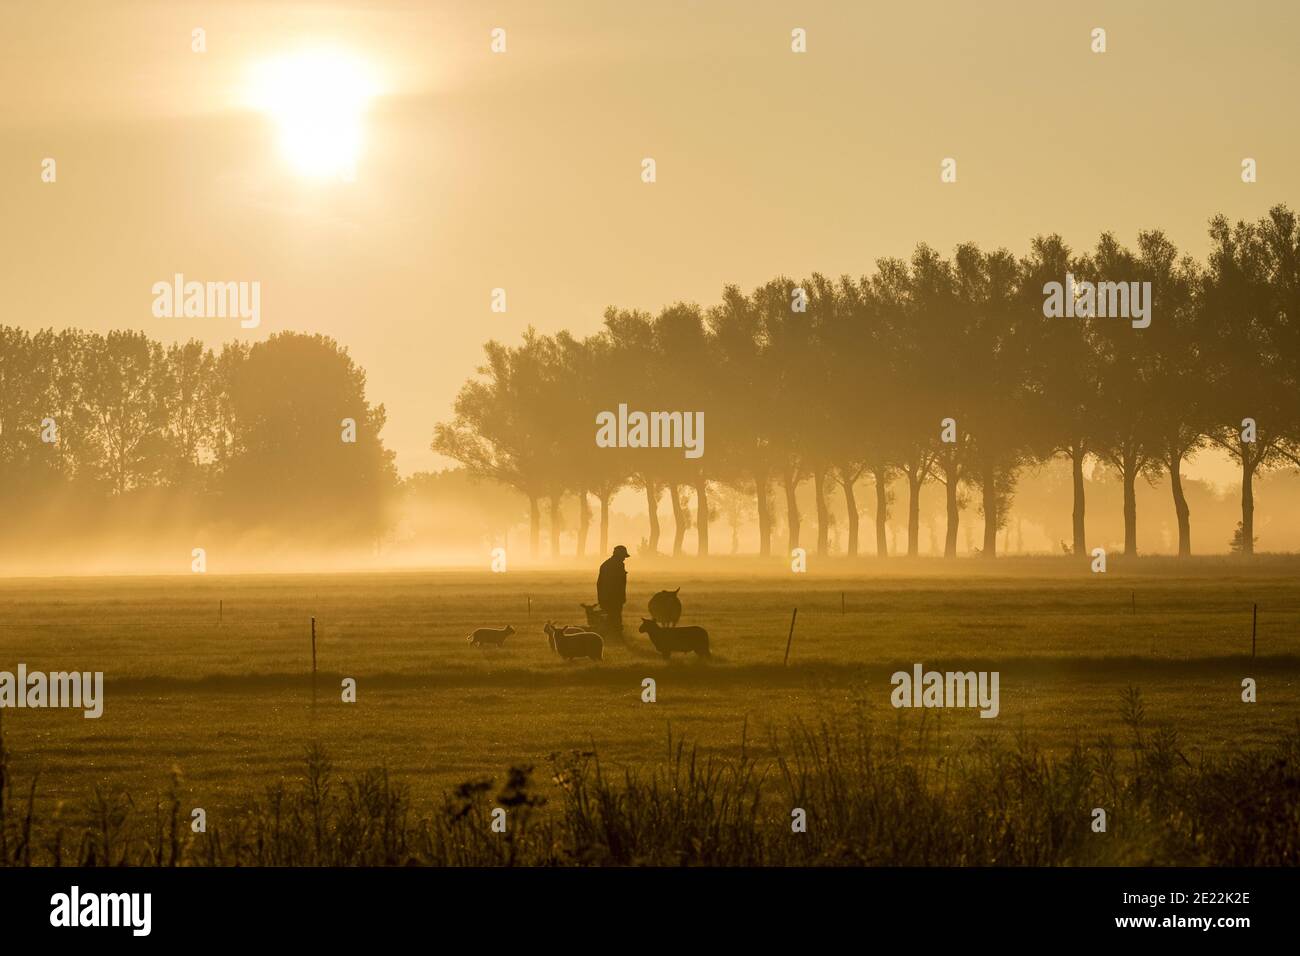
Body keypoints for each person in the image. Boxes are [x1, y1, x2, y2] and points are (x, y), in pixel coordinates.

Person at [596, 545, 629, 639]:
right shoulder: (616, 565)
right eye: (623, 556)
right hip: (612, 597)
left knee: (612, 617)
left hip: (609, 597)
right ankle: (614, 636)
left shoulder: (607, 564)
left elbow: (600, 584)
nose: (624, 559)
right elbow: (616, 584)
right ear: (619, 555)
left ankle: (612, 636)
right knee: (614, 617)